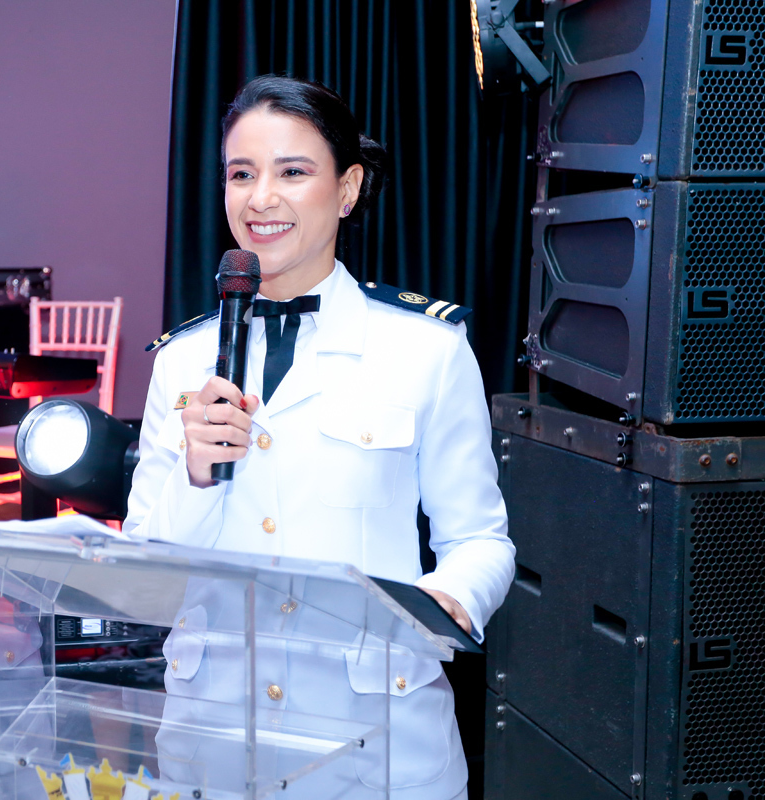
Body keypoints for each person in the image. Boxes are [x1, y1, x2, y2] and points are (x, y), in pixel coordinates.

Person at [124, 75, 515, 799]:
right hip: (215, 740)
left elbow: (481, 540)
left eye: (293, 172)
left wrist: (447, 603)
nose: (260, 199)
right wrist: (196, 476)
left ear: (347, 189)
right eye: (241, 174)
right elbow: (148, 577)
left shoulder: (425, 348)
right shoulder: (182, 359)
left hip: (377, 742)